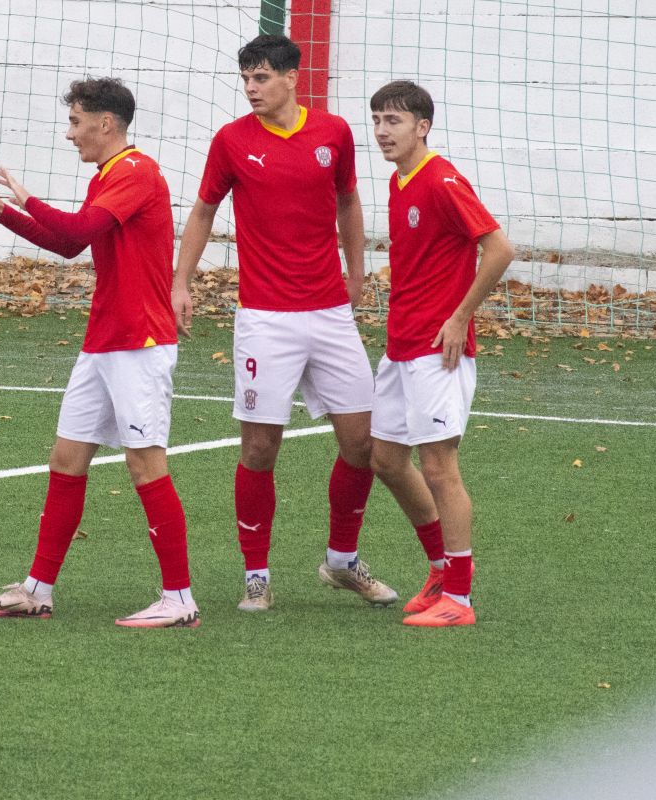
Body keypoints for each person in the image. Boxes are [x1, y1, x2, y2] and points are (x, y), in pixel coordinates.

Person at [0, 77, 199, 628]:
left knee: (145, 465)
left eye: (75, 122)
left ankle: (180, 600)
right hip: (104, 343)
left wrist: (26, 198)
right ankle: (37, 591)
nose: (70, 134)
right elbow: (71, 244)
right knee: (66, 460)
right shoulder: (108, 176)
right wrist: (2, 211)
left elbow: (82, 226)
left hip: (139, 343)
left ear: (105, 123)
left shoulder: (137, 172)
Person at [172, 34, 394, 612]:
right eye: (246, 79)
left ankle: (341, 561)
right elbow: (203, 211)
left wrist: (356, 271)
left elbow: (348, 200)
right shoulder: (231, 141)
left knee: (364, 444)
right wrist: (180, 282)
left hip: (330, 314)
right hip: (265, 320)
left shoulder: (333, 133)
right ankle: (256, 575)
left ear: (293, 78)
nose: (252, 88)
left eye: (262, 77)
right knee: (259, 449)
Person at [367, 80, 513, 627]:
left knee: (438, 468)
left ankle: (460, 599)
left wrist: (459, 317)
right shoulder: (398, 180)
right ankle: (438, 570)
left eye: (394, 121)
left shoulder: (443, 180)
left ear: (422, 127)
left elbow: (499, 249)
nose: (382, 131)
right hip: (401, 346)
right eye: (377, 120)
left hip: (438, 351)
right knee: (386, 460)